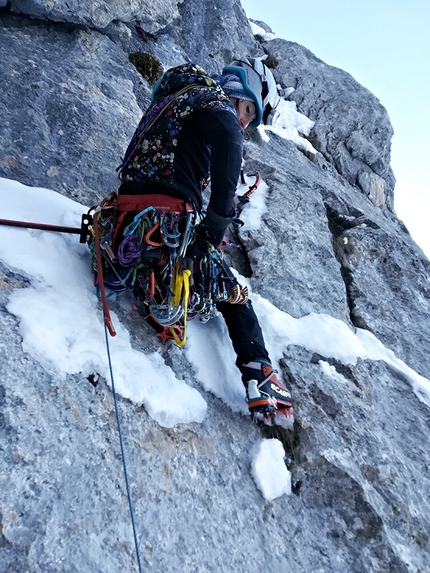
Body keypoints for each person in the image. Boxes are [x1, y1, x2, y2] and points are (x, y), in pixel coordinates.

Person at [117, 58, 293, 425]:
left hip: (125, 226)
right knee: (235, 292)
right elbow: (230, 137)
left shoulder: (176, 100)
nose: (244, 121)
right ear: (238, 89)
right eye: (248, 109)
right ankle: (260, 375)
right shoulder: (214, 102)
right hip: (167, 226)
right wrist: (215, 227)